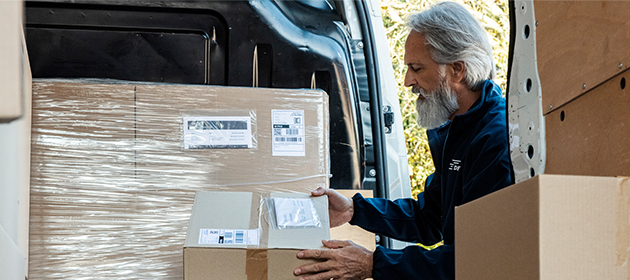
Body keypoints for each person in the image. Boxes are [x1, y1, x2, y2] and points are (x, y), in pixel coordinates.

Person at [293, 1, 513, 279]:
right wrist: (354, 209)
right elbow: (431, 216)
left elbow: (478, 261)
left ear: (457, 69)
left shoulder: (497, 141)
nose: (408, 81)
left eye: (417, 68)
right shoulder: (458, 129)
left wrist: (373, 264)